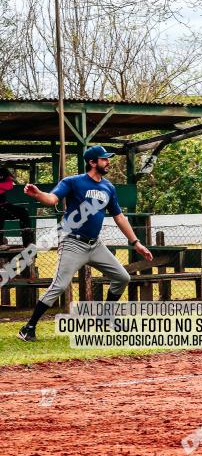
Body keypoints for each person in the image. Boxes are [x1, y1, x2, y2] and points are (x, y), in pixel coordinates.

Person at [17, 145, 153, 342]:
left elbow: (120, 217)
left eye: (107, 158)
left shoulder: (109, 187)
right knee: (59, 286)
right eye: (104, 159)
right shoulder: (73, 182)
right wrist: (38, 194)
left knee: (123, 277)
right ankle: (28, 327)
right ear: (92, 162)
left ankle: (106, 317)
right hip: (73, 243)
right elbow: (52, 198)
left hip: (95, 245)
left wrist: (136, 243)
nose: (108, 162)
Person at [0, 168, 34, 247]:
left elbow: (9, 185)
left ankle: (28, 242)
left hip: (3, 205)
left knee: (23, 212)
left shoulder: (3, 171)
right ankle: (0, 243)